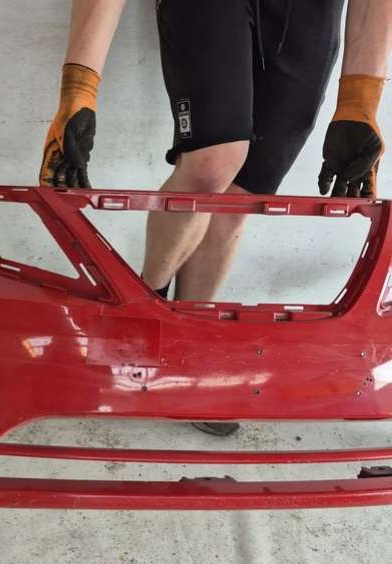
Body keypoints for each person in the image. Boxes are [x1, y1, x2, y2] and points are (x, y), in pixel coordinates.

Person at [40, 0, 391, 436]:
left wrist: (360, 100)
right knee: (211, 164)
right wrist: (80, 85)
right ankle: (140, 320)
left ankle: (189, 349)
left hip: (308, 15)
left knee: (243, 196)